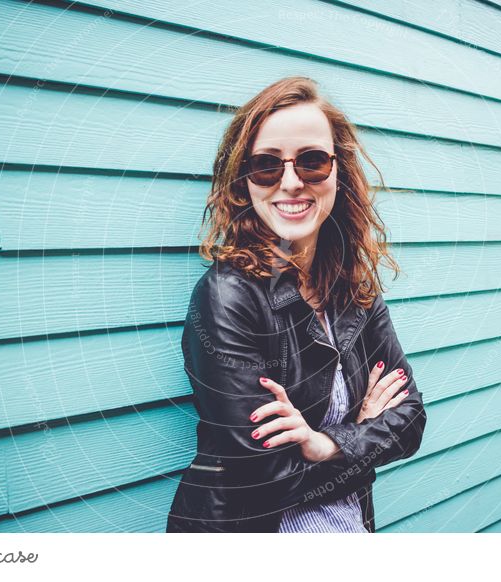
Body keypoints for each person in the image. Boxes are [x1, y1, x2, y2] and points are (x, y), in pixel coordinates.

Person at [165, 76, 427, 533]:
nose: (290, 183)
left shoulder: (355, 289)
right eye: (266, 165)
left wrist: (327, 444)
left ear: (337, 170)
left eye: (311, 162)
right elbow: (261, 479)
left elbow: (411, 419)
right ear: (244, 181)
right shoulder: (228, 297)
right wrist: (363, 434)